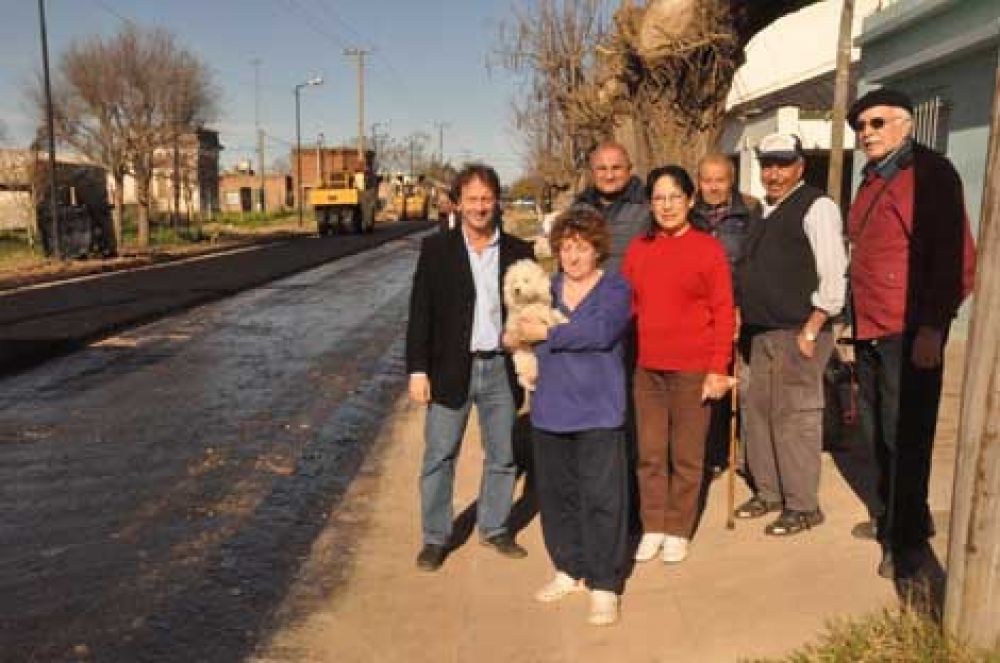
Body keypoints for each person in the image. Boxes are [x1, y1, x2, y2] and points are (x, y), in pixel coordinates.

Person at [845, 89, 976, 578]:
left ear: (904, 124)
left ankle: (907, 543)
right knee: (877, 433)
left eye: (877, 123)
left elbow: (952, 259)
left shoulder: (930, 174)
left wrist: (933, 329)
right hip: (873, 327)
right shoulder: (874, 177)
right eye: (860, 127)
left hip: (909, 330)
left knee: (908, 437)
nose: (867, 133)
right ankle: (893, 518)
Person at [405, 163, 535, 572]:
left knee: (503, 454)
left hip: (500, 369)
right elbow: (420, 313)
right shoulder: (436, 250)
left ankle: (494, 527)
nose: (479, 207)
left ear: (497, 202)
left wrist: (527, 345)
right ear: (458, 204)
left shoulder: (518, 251)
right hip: (449, 368)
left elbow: (533, 310)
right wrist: (417, 370)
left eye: (486, 199)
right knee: (440, 455)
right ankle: (436, 537)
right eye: (472, 199)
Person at [512, 206, 632, 626]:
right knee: (558, 499)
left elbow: (601, 333)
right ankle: (568, 568)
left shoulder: (615, 289)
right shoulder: (546, 289)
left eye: (582, 248)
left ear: (597, 250)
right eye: (566, 248)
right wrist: (517, 336)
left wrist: (548, 334)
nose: (574, 257)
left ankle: (603, 583)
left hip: (599, 410)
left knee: (603, 499)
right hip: (551, 410)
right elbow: (515, 328)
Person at [622, 165, 735, 563]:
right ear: (649, 204)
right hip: (647, 368)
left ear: (690, 200)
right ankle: (652, 524)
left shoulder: (708, 249)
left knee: (687, 455)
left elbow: (723, 312)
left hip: (692, 369)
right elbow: (627, 305)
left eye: (674, 197)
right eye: (658, 198)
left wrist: (718, 368)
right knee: (650, 452)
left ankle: (678, 527)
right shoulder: (639, 248)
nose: (666, 206)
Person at [736, 133, 847, 536]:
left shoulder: (817, 206)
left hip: (799, 329)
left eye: (783, 164)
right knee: (759, 413)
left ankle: (802, 505)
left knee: (794, 417)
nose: (774, 173)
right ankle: (769, 492)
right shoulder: (763, 210)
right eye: (767, 164)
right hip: (761, 331)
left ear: (800, 165)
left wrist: (813, 326)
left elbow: (834, 274)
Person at [690, 153, 759, 474]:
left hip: (740, 309)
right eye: (707, 180)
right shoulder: (690, 217)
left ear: (730, 180)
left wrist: (741, 307)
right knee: (710, 382)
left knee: (745, 385)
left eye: (720, 180)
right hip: (701, 314)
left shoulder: (750, 213)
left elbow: (755, 264)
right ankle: (713, 452)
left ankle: (746, 454)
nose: (714, 186)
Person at [574, 141, 649, 269]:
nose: (609, 176)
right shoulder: (578, 210)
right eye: (602, 169)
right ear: (592, 172)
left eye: (616, 168)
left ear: (629, 170)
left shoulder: (648, 207)